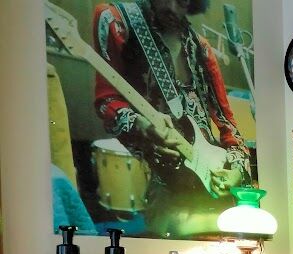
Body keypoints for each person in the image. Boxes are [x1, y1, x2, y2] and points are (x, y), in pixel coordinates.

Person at [93, 0, 251, 238]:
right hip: (167, 189)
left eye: (184, 2)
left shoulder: (201, 48)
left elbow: (228, 125)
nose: (175, 8)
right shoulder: (116, 20)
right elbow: (106, 101)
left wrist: (237, 170)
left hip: (213, 183)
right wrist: (141, 125)